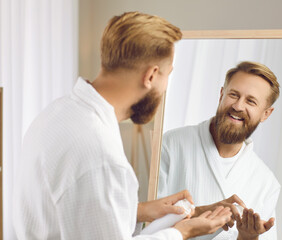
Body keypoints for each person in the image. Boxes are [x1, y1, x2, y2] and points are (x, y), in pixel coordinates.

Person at [12, 12, 232, 240]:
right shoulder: (99, 153)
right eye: (168, 75)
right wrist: (182, 232)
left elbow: (76, 209)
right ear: (151, 76)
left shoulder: (59, 112)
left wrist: (141, 210)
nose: (166, 87)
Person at [158, 61, 281, 240]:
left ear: (266, 114)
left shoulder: (266, 183)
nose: (238, 106)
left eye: (251, 101)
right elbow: (144, 225)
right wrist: (201, 212)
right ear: (221, 94)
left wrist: (247, 237)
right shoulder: (170, 144)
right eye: (233, 95)